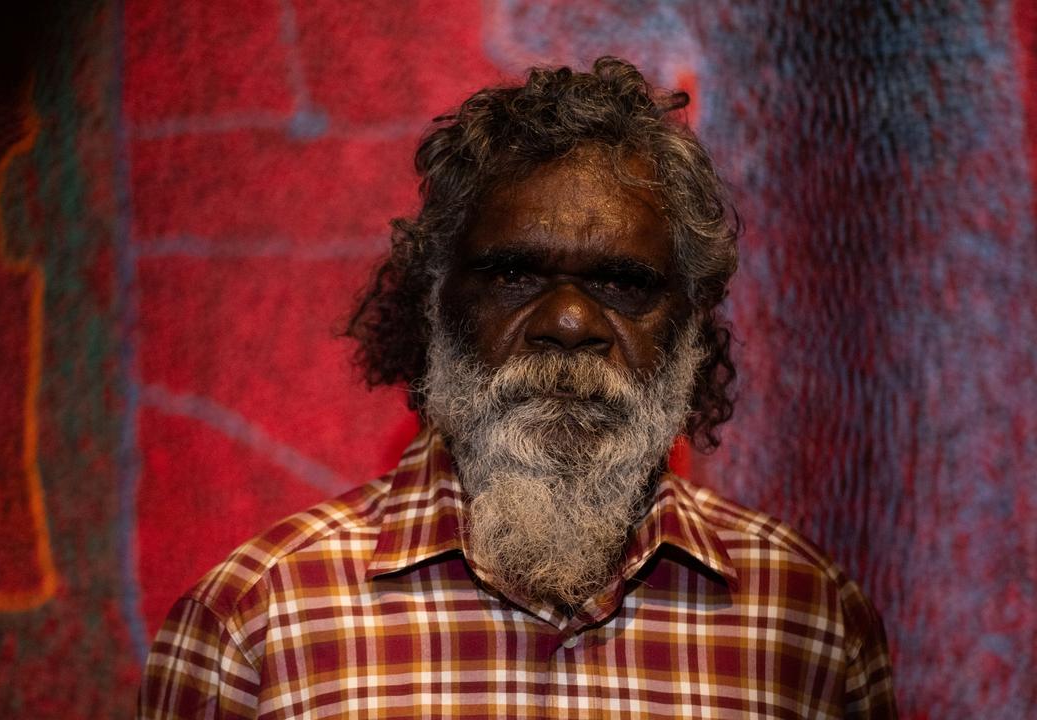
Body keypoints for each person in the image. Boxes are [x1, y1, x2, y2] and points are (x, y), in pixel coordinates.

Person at [138, 56, 896, 719]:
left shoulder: (809, 623)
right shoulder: (254, 625)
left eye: (623, 282)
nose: (569, 322)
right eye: (514, 274)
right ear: (434, 303)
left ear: (691, 332)